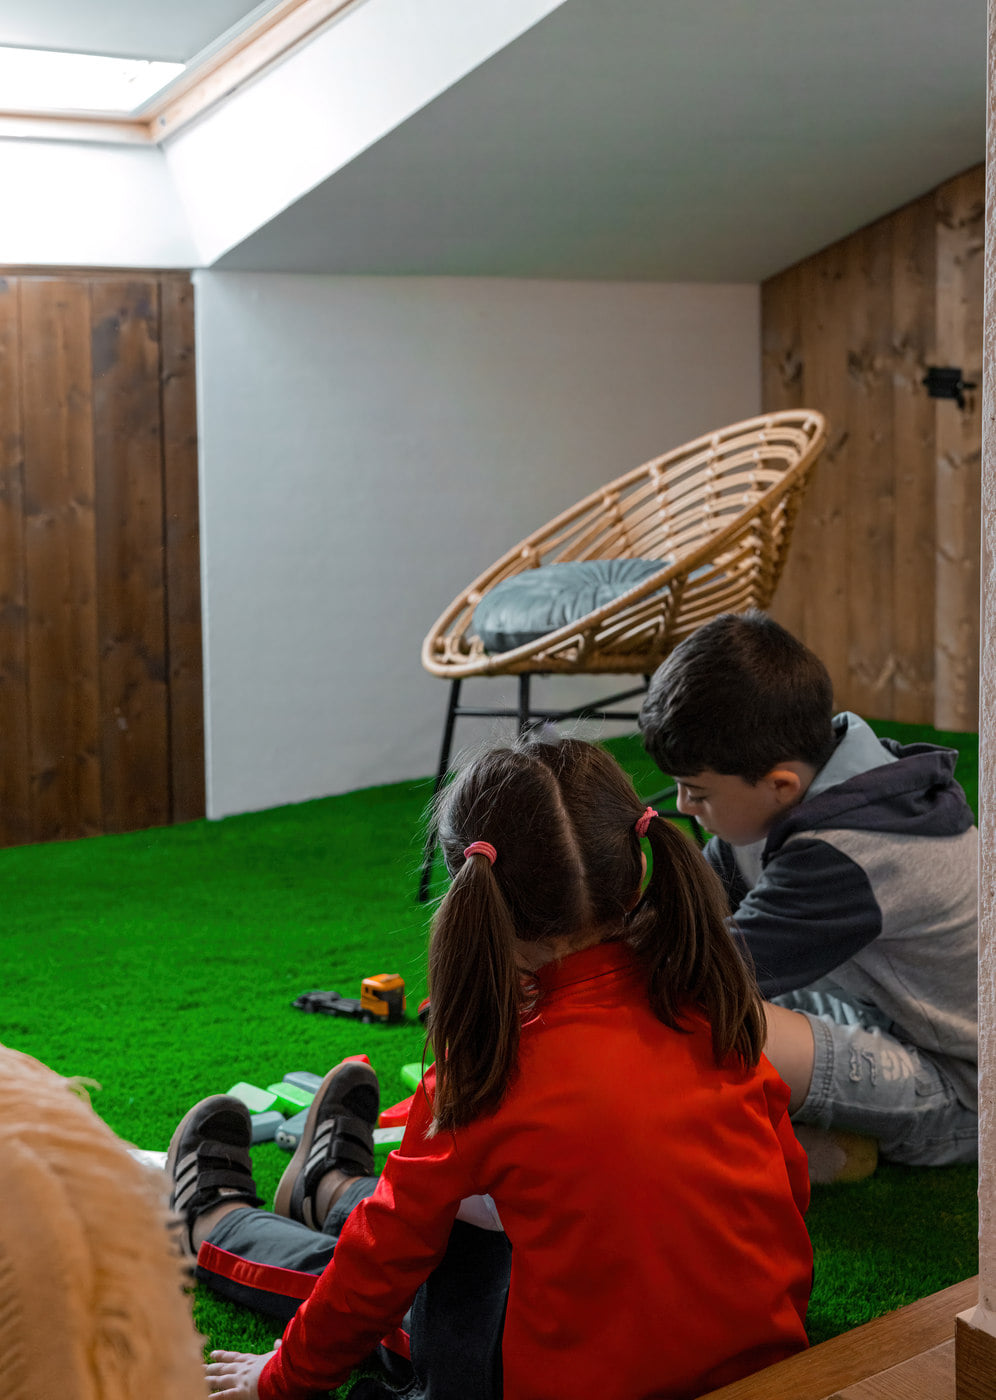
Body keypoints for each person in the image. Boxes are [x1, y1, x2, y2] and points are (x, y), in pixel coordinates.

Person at [176, 736, 812, 1400]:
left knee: (430, 1269)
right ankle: (332, 1188)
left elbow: (381, 1262)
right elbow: (785, 1186)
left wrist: (278, 1378)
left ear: (474, 899)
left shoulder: (490, 1071)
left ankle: (215, 1225)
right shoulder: (704, 1000)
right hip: (760, 1359)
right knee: (465, 1214)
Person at [638, 610, 978, 1180]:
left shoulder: (844, 852)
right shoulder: (816, 778)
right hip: (890, 1012)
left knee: (703, 1010)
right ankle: (810, 1135)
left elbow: (702, 969)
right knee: (703, 1000)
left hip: (965, 1087)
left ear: (780, 784)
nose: (684, 806)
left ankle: (788, 1139)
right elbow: (688, 912)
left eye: (697, 791)